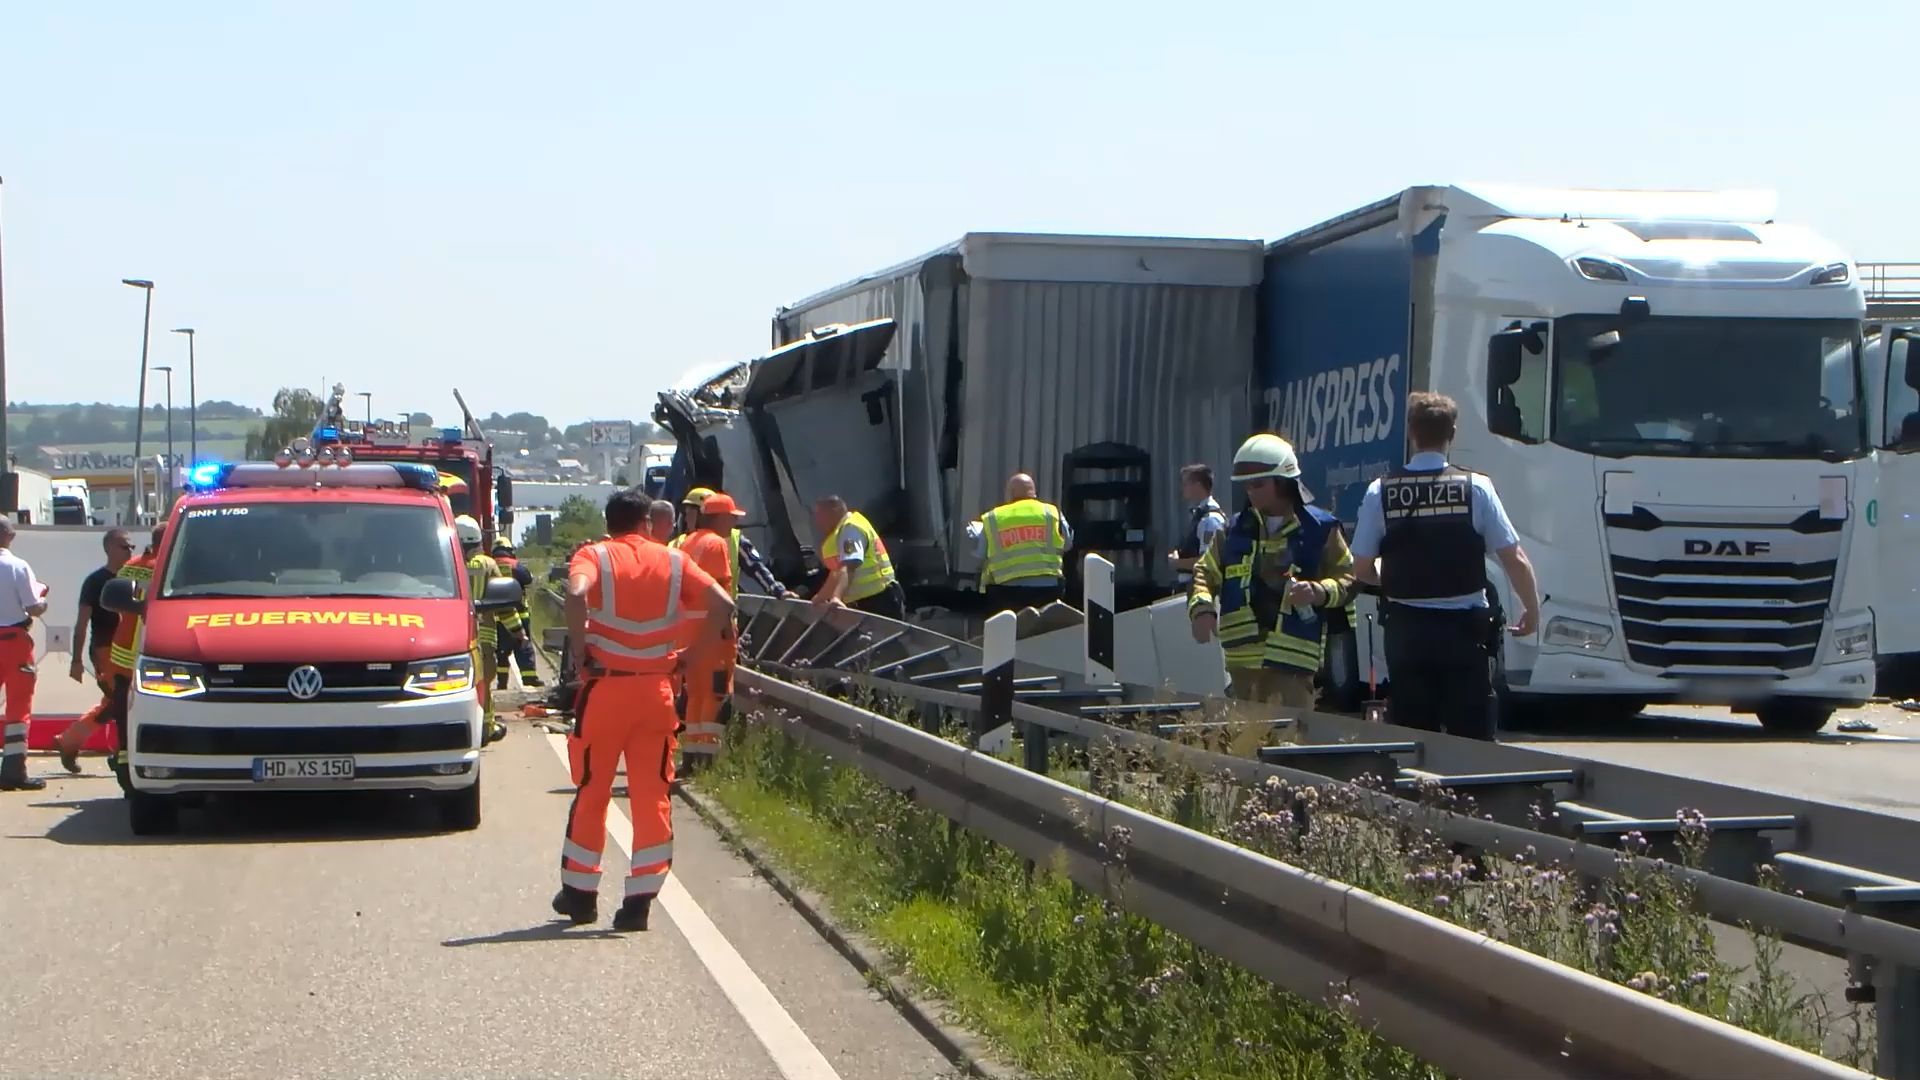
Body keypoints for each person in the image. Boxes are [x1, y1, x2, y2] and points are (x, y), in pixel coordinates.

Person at [553, 488, 733, 930]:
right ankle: (638, 903)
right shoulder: (673, 561)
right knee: (652, 796)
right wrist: (689, 656)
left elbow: (577, 594)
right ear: (647, 524)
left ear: (608, 522)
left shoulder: (593, 556)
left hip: (607, 692)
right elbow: (723, 605)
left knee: (593, 791)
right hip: (657, 692)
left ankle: (581, 895)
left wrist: (581, 650)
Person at [1349, 392, 1540, 741]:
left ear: (1411, 432)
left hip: (1407, 632)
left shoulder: (1382, 491)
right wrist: (1531, 608)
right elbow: (1514, 558)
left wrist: (1389, 577)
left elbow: (1360, 567)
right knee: (1471, 738)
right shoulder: (1476, 488)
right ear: (1452, 433)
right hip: (1464, 633)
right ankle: (1468, 793)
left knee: (1413, 737)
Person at [1187, 434, 1354, 708]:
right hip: (1242, 665)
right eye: (1247, 485)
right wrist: (1202, 610)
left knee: (1290, 742)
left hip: (1294, 664)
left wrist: (1319, 591)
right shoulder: (1231, 531)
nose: (1251, 491)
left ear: (1283, 482)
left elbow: (1349, 578)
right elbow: (1203, 573)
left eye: (1259, 484)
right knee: (1245, 745)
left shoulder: (1320, 529)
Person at [674, 492, 746, 770]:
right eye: (732, 518)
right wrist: (727, 630)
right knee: (715, 693)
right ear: (719, 518)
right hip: (712, 630)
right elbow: (719, 591)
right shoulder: (716, 544)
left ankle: (691, 756)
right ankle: (708, 759)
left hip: (687, 629)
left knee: (694, 693)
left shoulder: (688, 541)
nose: (734, 524)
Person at [55, 528, 135, 773]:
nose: (129, 551)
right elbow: (82, 623)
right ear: (109, 548)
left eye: (131, 547)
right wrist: (76, 660)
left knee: (118, 701)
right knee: (117, 701)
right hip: (105, 650)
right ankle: (71, 741)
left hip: (127, 651)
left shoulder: (132, 577)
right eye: (124, 546)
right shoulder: (95, 582)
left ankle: (70, 740)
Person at [103, 524, 164, 793]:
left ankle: (123, 761)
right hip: (145, 649)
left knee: (121, 712)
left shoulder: (131, 567)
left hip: (122, 649)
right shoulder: (163, 569)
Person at [456, 515, 521, 745]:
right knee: (483, 685)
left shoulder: (445, 561)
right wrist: (517, 631)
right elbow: (503, 603)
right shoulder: (487, 564)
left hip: (451, 639)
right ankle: (485, 728)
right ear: (477, 540)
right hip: (482, 637)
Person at [968, 472, 1072, 614]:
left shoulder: (994, 518)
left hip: (1007, 593)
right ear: (1034, 494)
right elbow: (1068, 544)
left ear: (1009, 496)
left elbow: (980, 557)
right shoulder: (1052, 513)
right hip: (1048, 589)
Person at [0, 515, 50, 791]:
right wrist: (42, 598)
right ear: (9, 535)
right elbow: (33, 608)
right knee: (18, 709)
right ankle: (13, 770)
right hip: (13, 643)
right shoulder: (17, 566)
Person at [674, 488, 791, 598]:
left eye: (690, 513)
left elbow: (756, 567)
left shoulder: (735, 539)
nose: (686, 518)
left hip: (714, 612)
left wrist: (776, 589)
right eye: (686, 513)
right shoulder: (678, 543)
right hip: (711, 612)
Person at [809, 495, 905, 619]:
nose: (817, 520)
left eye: (820, 515)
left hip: (879, 600)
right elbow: (836, 573)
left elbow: (850, 565)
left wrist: (836, 597)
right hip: (868, 602)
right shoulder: (842, 530)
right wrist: (820, 597)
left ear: (834, 512)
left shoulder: (850, 530)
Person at [489, 540, 544, 690]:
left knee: (501, 650)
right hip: (520, 612)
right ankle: (529, 678)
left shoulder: (490, 564)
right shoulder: (514, 564)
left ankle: (502, 682)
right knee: (523, 646)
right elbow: (528, 579)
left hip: (498, 616)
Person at [1169, 463, 1228, 594]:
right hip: (1191, 587)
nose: (1182, 488)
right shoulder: (1199, 515)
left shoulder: (1210, 520)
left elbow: (1208, 562)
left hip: (1200, 590)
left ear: (1197, 485)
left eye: (1185, 484)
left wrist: (1177, 563)